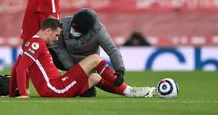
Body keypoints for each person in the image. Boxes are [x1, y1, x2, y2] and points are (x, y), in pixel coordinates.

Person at [9, 18, 156, 98]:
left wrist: (12, 94)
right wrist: (23, 94)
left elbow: (16, 67)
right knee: (94, 59)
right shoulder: (36, 44)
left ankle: (128, 93)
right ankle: (131, 91)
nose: (56, 39)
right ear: (47, 31)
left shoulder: (31, 42)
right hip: (55, 89)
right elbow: (21, 68)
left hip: (58, 85)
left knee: (95, 78)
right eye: (55, 35)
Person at [49, 8, 125, 96]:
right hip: (66, 59)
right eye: (73, 28)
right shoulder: (64, 24)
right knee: (48, 51)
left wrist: (120, 70)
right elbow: (58, 47)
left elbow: (112, 50)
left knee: (87, 94)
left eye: (78, 31)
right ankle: (50, 83)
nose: (74, 31)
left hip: (87, 65)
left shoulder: (99, 31)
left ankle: (89, 83)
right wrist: (72, 70)